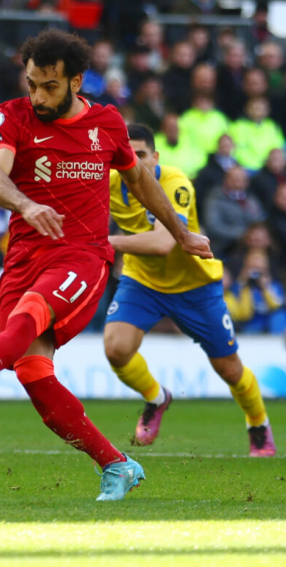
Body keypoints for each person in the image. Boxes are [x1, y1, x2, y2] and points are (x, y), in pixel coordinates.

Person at [0, 29, 212, 501]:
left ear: (76, 81)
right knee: (34, 374)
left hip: (82, 255)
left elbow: (139, 181)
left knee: (27, 318)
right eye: (32, 83)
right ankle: (117, 466)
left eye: (49, 86)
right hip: (23, 258)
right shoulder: (10, 116)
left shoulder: (107, 123)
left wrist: (181, 233)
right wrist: (26, 205)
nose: (38, 96)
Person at [104, 124, 275, 455]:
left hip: (195, 286)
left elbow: (164, 243)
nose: (133, 162)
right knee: (116, 348)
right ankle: (157, 398)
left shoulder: (175, 183)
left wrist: (101, 243)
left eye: (140, 155)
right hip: (143, 282)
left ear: (156, 156)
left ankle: (258, 423)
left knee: (229, 369)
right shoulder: (109, 183)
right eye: (126, 155)